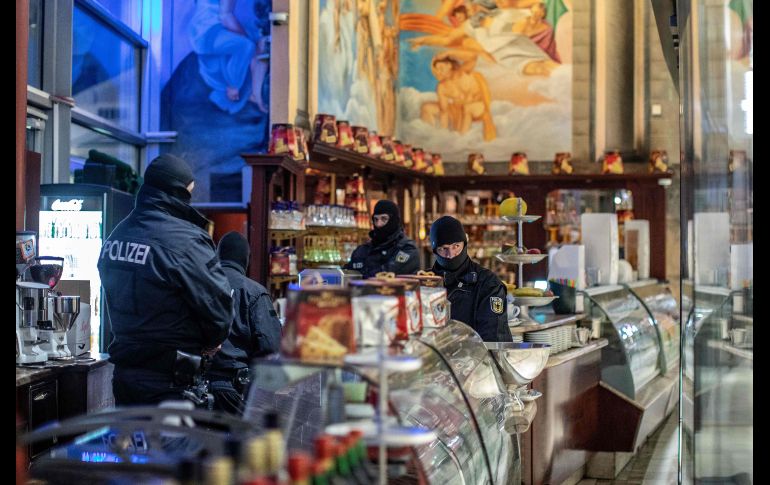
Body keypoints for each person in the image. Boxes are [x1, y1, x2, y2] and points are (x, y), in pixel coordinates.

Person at [98, 154, 234, 406]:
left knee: (133, 443)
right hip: (171, 380)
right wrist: (211, 342)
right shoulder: (186, 240)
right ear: (178, 192)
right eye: (189, 192)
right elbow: (218, 310)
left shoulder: (116, 236)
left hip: (124, 375)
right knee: (171, 445)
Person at [207, 231, 282, 415]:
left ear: (218, 255)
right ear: (245, 259)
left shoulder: (200, 284)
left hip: (197, 388)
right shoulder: (254, 293)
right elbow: (271, 347)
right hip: (235, 390)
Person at [429, 215, 513, 342]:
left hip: (474, 358)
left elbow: (493, 338)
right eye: (444, 249)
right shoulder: (423, 282)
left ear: (465, 244)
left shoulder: (487, 283)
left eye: (456, 246)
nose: (450, 254)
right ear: (435, 251)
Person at [344, 200, 420, 278]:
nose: (379, 224)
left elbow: (385, 275)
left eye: (384, 219)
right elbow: (346, 273)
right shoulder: (362, 250)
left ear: (394, 220)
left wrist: (362, 275)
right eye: (376, 219)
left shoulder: (407, 248)